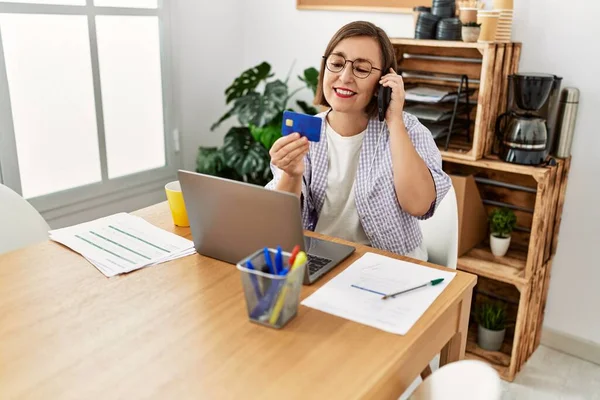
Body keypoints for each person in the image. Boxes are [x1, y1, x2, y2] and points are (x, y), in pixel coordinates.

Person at [265, 20, 451, 261]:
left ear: (382, 84)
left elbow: (418, 205)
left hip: (393, 264)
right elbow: (279, 227)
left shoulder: (409, 130)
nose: (344, 77)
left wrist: (394, 121)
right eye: (337, 64)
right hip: (321, 260)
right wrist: (291, 174)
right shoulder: (305, 132)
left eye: (361, 69)